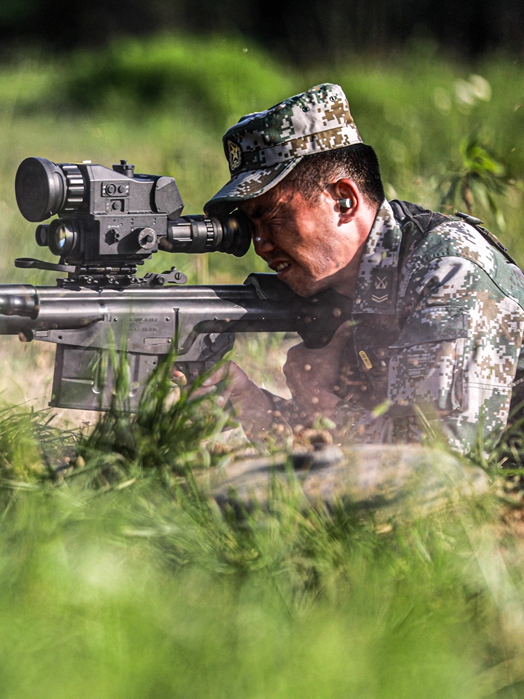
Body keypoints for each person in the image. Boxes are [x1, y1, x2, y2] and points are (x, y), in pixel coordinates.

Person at [199, 83, 524, 453]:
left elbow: (438, 460)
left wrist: (319, 402)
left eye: (273, 218)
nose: (260, 244)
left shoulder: (448, 270)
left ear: (344, 200)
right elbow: (354, 447)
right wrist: (246, 398)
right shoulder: (339, 287)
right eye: (251, 228)